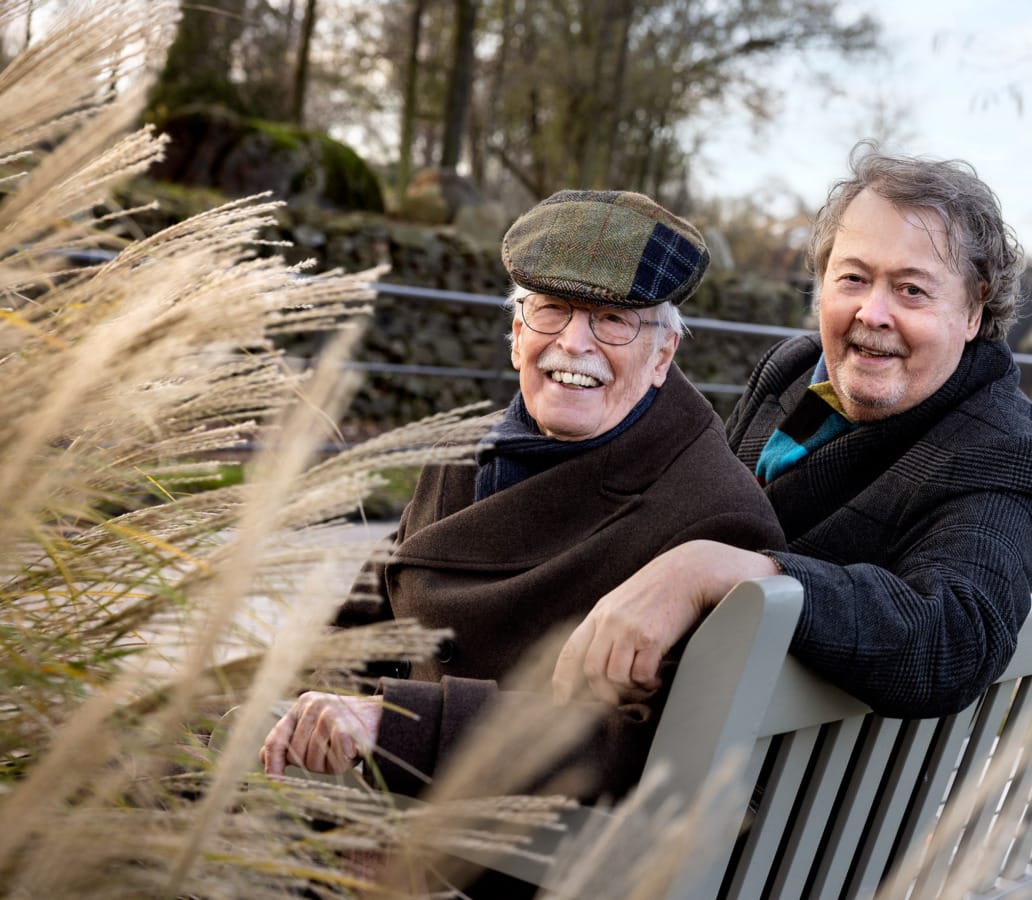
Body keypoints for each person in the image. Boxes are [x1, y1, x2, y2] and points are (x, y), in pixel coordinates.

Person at [260, 189, 785, 799]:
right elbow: (367, 614)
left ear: (663, 353)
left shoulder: (712, 515)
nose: (573, 343)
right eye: (553, 310)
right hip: (362, 789)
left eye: (611, 320)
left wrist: (393, 730)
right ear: (516, 335)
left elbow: (626, 743)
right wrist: (315, 715)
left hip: (494, 842)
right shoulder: (466, 449)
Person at [553, 145, 1032, 721]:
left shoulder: (1002, 451)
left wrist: (726, 572)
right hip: (681, 715)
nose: (873, 312)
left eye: (912, 290)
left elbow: (950, 639)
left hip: (776, 792)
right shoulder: (794, 370)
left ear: (973, 312)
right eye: (853, 278)